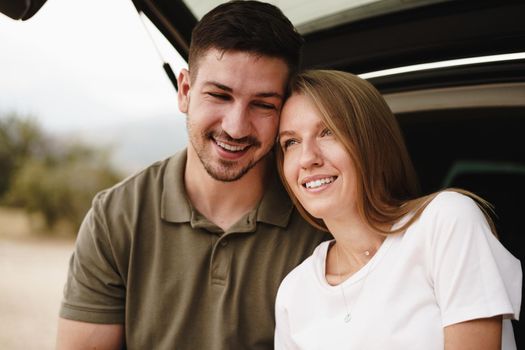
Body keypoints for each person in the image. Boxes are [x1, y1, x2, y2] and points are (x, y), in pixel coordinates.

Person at [56, 2, 329, 349]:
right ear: (185, 90)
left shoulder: (320, 220)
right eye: (219, 95)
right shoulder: (115, 218)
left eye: (262, 104)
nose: (235, 127)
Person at [274, 70, 522, 350]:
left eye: (328, 131)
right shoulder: (293, 294)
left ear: (372, 141)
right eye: (291, 142)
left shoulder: (446, 221)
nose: (307, 158)